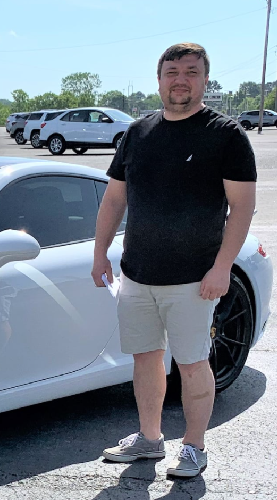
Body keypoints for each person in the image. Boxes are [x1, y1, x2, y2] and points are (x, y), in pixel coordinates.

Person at [91, 42, 257, 478]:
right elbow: (113, 199)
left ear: (205, 79)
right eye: (172, 71)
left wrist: (222, 267)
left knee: (191, 362)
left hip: (193, 278)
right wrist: (99, 254)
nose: (180, 79)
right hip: (137, 273)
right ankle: (149, 438)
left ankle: (194, 446)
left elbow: (241, 207)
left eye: (191, 71)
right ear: (159, 78)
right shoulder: (138, 133)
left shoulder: (225, 134)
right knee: (145, 358)